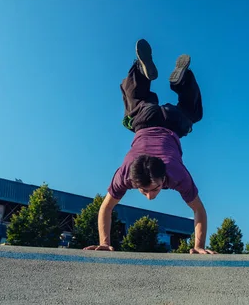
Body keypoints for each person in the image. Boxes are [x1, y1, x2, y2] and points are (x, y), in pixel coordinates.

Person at [83, 39, 216, 255]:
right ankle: (151, 74)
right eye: (143, 189)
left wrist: (198, 245)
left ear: (164, 176)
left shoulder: (174, 173)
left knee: (192, 113)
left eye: (151, 189)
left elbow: (106, 207)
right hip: (145, 119)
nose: (149, 195)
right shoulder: (129, 173)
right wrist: (198, 246)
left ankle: (165, 76)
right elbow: (198, 209)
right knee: (133, 97)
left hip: (174, 122)